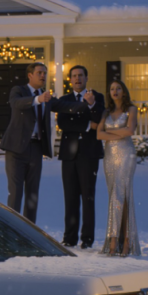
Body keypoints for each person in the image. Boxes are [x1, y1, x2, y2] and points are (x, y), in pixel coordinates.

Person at [0, 62, 94, 223]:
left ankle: (29, 231)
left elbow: (65, 106)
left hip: (36, 148)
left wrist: (86, 104)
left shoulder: (47, 97)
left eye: (45, 73)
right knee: (15, 192)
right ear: (30, 75)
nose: (43, 76)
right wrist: (37, 99)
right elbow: (16, 103)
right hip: (16, 149)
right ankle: (12, 230)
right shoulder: (19, 91)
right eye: (39, 73)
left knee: (33, 193)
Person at [56, 65, 106, 249]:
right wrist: (86, 125)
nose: (77, 79)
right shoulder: (64, 100)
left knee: (88, 197)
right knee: (70, 198)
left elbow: (100, 119)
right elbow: (62, 123)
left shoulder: (97, 97)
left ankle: (87, 239)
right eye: (74, 76)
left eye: (80, 76)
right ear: (70, 80)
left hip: (89, 153)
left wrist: (91, 105)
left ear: (86, 78)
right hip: (69, 154)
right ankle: (69, 238)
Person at [97, 79, 141, 256]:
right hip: (109, 157)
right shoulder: (105, 112)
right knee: (113, 197)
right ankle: (113, 240)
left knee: (123, 196)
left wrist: (110, 133)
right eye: (112, 89)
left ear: (124, 91)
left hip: (126, 155)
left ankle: (123, 244)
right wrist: (119, 132)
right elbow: (99, 135)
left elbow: (130, 131)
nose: (115, 91)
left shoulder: (131, 109)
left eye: (118, 88)